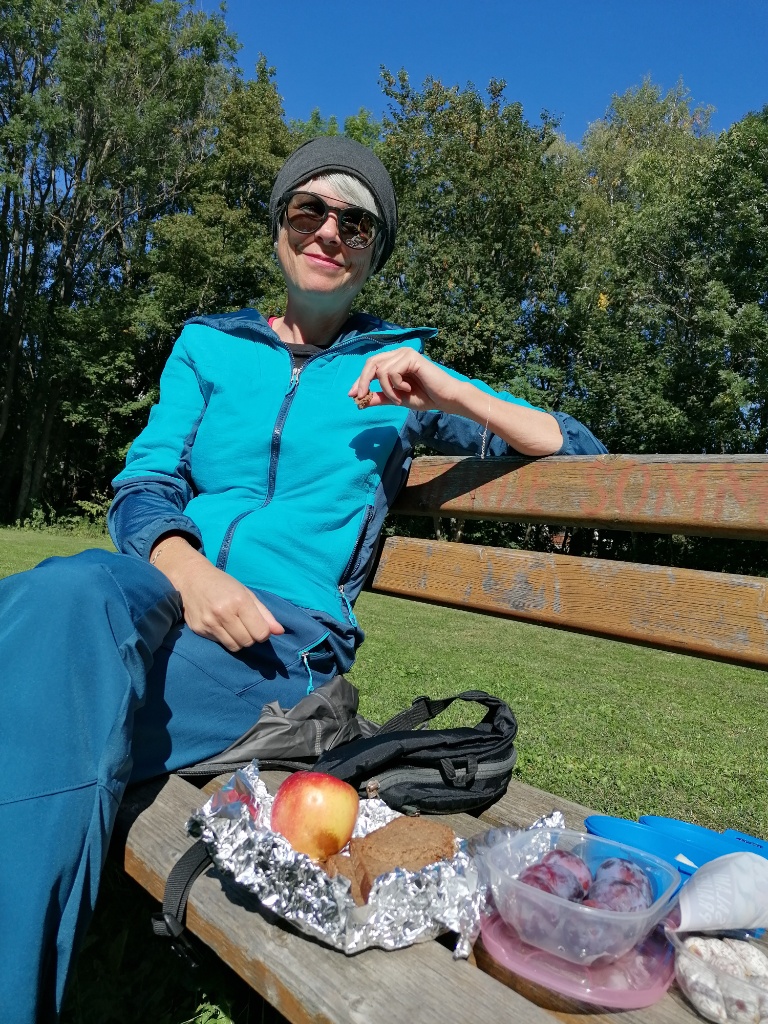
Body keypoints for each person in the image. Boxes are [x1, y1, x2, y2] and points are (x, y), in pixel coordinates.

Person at [0, 136, 607, 1021]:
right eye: (307, 212)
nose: (329, 231)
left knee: (47, 695)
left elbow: (577, 449)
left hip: (278, 642)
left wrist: (448, 393)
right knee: (60, 598)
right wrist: (189, 571)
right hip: (164, 585)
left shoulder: (397, 371)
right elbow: (144, 481)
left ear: (374, 249)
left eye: (354, 221)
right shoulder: (210, 345)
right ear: (279, 230)